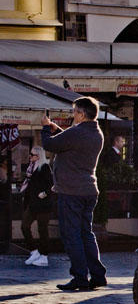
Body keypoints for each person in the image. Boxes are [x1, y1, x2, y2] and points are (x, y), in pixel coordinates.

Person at [42, 96, 107, 290]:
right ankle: (97, 275)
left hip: (72, 192)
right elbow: (71, 143)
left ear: (81, 114)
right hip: (88, 190)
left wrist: (46, 127)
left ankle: (79, 277)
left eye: (74, 112)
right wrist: (59, 131)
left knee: (72, 235)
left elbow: (50, 145)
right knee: (86, 233)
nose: (73, 115)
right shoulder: (95, 133)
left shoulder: (77, 133)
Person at [20, 146, 53, 267]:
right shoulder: (31, 168)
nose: (30, 156)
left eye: (32, 154)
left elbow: (52, 185)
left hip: (43, 204)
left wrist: (43, 194)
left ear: (38, 156)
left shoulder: (44, 167)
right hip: (33, 204)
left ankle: (44, 256)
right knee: (24, 226)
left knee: (42, 229)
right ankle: (34, 251)